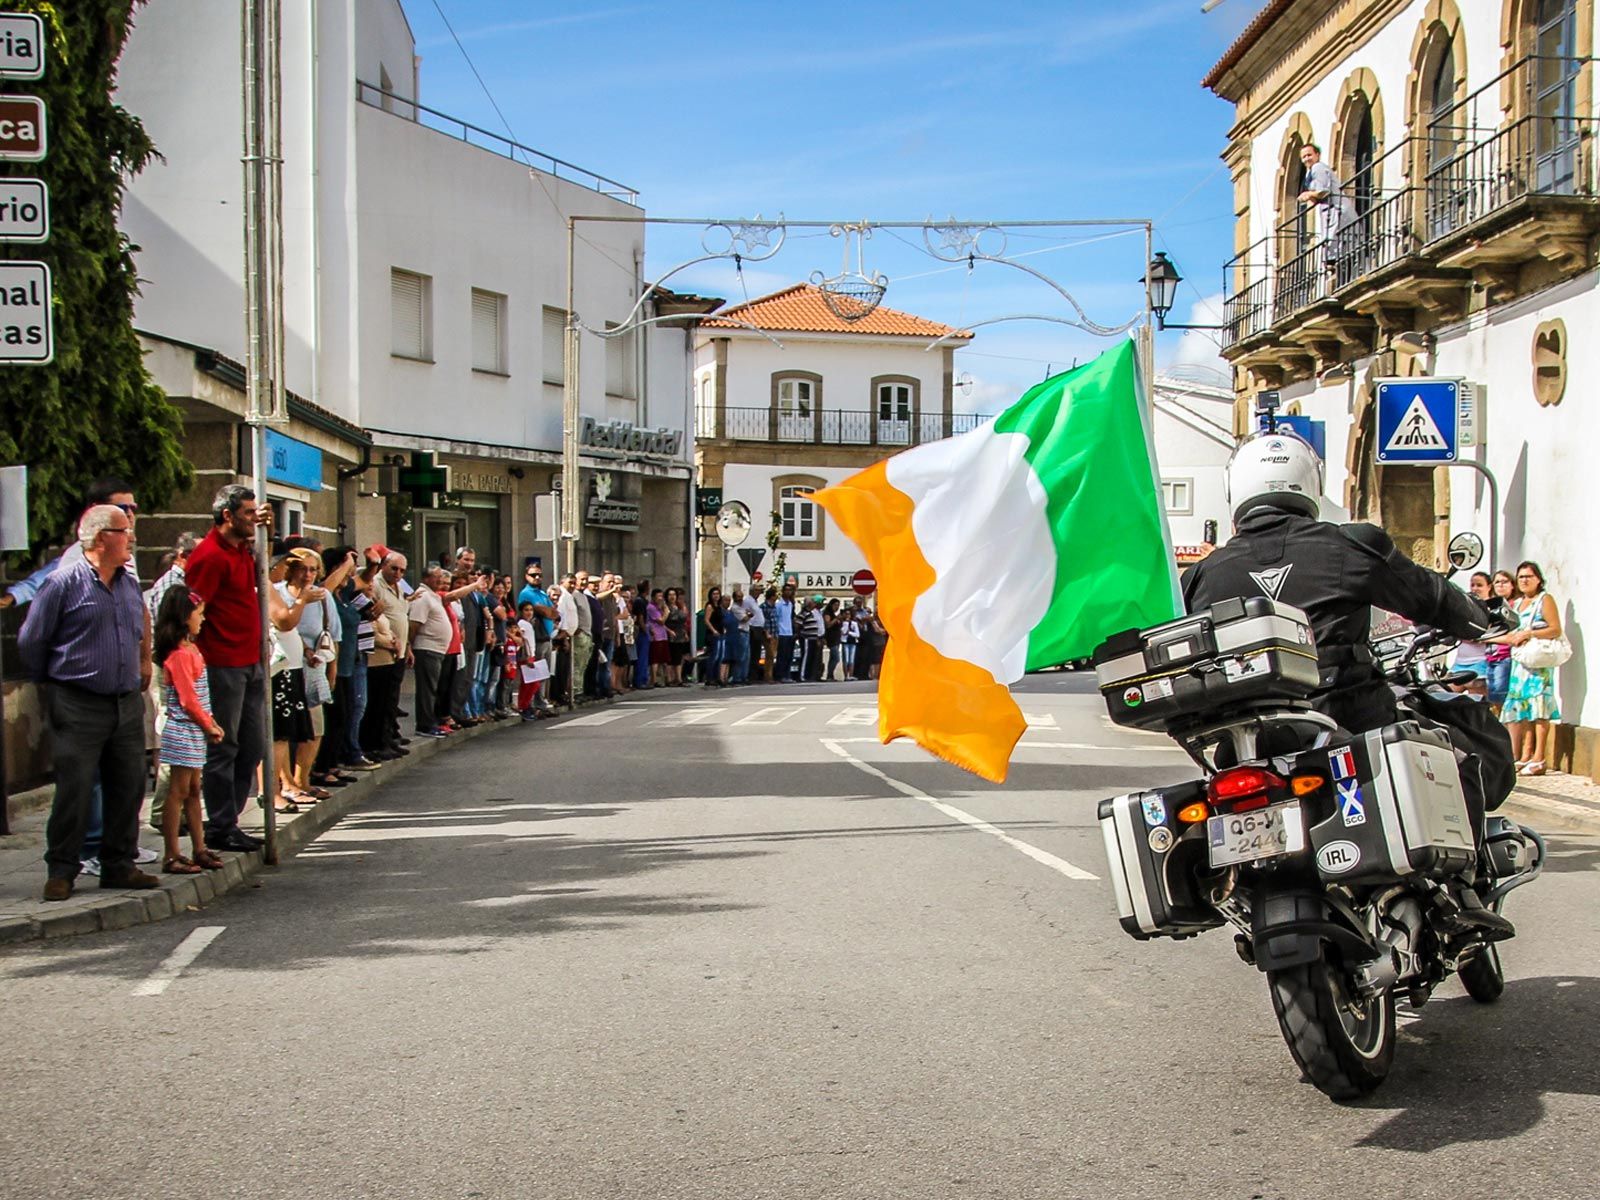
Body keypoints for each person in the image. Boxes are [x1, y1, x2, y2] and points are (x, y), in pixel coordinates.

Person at [1182, 426, 1514, 933]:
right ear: (1309, 484)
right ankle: (1460, 890)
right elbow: (1432, 598)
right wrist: (1480, 620)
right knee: (1452, 755)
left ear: (1237, 491)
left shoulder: (1201, 577)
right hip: (1348, 713)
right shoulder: (1349, 545)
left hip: (1244, 740)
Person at [18, 506, 158, 900]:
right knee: (76, 789)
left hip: (125, 701)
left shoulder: (129, 583)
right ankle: (62, 869)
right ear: (100, 539)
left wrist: (144, 660)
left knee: (128, 786)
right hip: (78, 700)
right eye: (124, 531)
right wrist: (52, 681)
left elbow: (140, 624)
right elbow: (32, 640)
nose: (130, 537)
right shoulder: (63, 584)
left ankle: (119, 865)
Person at [186, 484, 272, 853]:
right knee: (225, 746)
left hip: (250, 660)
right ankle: (221, 824)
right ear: (227, 515)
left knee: (252, 746)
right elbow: (193, 609)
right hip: (222, 662)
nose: (254, 519)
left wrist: (266, 532)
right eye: (249, 514)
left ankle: (230, 818)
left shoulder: (243, 550)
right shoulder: (209, 557)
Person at [151, 588, 226, 874]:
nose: (203, 619)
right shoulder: (180, 655)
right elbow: (187, 698)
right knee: (179, 791)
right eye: (199, 613)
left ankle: (199, 847)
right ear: (184, 617)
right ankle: (172, 853)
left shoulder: (191, 650)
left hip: (194, 729)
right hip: (184, 729)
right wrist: (209, 724)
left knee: (194, 789)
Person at [1500, 560, 1564, 777]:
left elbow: (1555, 628)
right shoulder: (1517, 605)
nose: (1525, 580)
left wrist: (1529, 634)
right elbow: (1511, 632)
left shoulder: (1544, 600)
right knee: (1523, 706)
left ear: (1538, 579)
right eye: (1521, 577)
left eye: (1529, 576)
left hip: (1538, 661)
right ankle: (1525, 754)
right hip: (1521, 661)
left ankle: (1539, 757)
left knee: (1540, 707)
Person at [408, 566, 454, 738]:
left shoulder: (433, 596)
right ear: (426, 578)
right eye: (436, 577)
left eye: (442, 577)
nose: (440, 581)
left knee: (433, 688)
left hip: (437, 650)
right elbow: (414, 624)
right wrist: (409, 647)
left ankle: (430, 721)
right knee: (427, 689)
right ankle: (425, 725)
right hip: (426, 648)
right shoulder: (423, 596)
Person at [1297, 143, 1354, 271]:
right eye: (1304, 157)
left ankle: (1333, 261)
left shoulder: (1318, 168)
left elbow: (1323, 191)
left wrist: (1308, 194)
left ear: (1317, 155)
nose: (1307, 159)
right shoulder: (1311, 173)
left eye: (1309, 155)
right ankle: (1333, 262)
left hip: (1337, 209)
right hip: (1331, 211)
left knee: (1334, 239)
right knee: (1334, 241)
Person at [1484, 569, 1516, 713]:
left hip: (1505, 657)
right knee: (1493, 698)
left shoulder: (1514, 606)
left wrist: (1488, 637)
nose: (1501, 585)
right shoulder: (1491, 607)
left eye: (1505, 582)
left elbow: (1511, 636)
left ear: (1512, 585)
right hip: (1491, 656)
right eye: (1497, 582)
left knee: (1500, 698)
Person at [773, 583, 796, 682]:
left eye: (790, 590)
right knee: (781, 656)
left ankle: (787, 675)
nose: (788, 592)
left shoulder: (790, 604)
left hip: (789, 632)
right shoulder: (779, 604)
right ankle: (780, 675)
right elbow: (776, 618)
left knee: (789, 656)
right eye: (786, 590)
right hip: (782, 632)